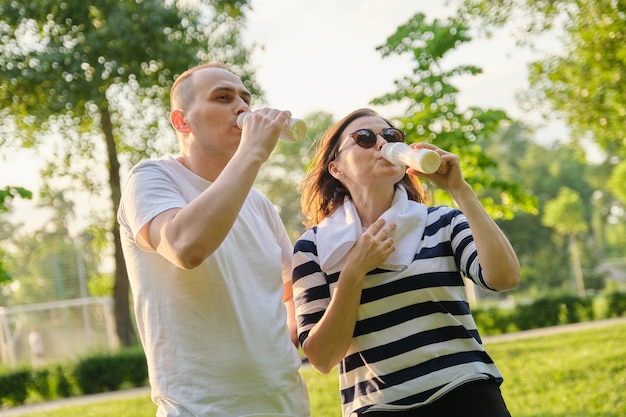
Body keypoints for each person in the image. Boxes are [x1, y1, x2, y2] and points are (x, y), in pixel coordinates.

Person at [292, 108, 520, 417]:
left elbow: (504, 278)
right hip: (377, 408)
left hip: (467, 394)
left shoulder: (442, 222)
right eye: (364, 138)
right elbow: (321, 357)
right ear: (336, 169)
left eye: (391, 136)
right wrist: (354, 271)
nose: (381, 144)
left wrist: (458, 189)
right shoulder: (313, 247)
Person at [118, 62, 310, 417]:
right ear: (181, 121)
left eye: (245, 98)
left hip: (286, 406)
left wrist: (286, 340)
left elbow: (292, 288)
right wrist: (253, 153)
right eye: (223, 97)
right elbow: (185, 247)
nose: (242, 108)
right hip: (200, 410)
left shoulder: (259, 203)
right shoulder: (150, 179)